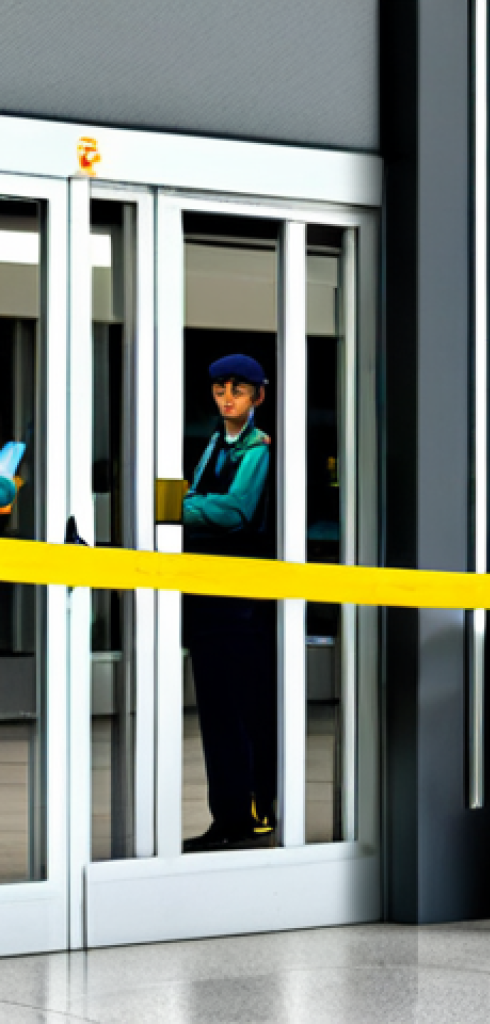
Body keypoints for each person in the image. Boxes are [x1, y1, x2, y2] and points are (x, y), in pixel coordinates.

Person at [182, 354, 277, 853]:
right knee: (218, 713)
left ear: (258, 396)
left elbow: (236, 511)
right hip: (209, 596)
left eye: (238, 390)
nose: (227, 399)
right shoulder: (215, 444)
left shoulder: (259, 450)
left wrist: (180, 508)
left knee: (242, 712)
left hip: (241, 604)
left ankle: (248, 814)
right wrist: (195, 505)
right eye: (220, 389)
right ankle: (229, 815)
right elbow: (204, 498)